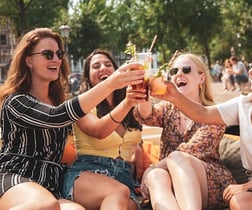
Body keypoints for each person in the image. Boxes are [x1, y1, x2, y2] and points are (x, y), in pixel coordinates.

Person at [154, 37, 252, 210]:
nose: (251, 71)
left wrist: (245, 186)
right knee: (238, 202)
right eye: (251, 65)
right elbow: (204, 113)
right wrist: (175, 97)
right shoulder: (243, 105)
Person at [0, 28, 145, 210]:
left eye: (59, 54)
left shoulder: (58, 102)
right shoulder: (16, 101)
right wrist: (110, 83)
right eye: (47, 54)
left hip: (51, 185)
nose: (56, 59)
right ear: (28, 60)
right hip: (16, 177)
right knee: (45, 205)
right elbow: (56, 117)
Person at [134, 53, 236, 210]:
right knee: (156, 176)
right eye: (174, 71)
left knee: (174, 158)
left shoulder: (213, 113)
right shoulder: (168, 108)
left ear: (201, 78)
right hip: (169, 178)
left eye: (186, 69)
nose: (178, 74)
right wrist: (143, 92)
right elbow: (147, 116)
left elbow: (190, 151)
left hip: (208, 180)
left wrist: (151, 168)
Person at [62, 49, 145, 210]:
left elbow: (137, 147)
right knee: (117, 192)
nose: (103, 68)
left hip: (124, 178)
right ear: (88, 76)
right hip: (88, 172)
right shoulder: (80, 105)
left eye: (108, 64)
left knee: (127, 202)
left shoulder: (132, 108)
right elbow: (99, 131)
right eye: (96, 66)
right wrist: (127, 103)